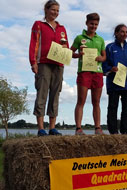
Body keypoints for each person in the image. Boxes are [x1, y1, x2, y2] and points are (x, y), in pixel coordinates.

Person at [29, 0, 69, 136]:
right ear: (46, 9)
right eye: (53, 10)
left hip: (59, 64)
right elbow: (34, 43)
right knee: (42, 94)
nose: (55, 13)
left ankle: (52, 127)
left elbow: (66, 47)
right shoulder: (39, 24)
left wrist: (66, 50)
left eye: (58, 11)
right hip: (43, 63)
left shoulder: (62, 28)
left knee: (55, 94)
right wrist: (33, 62)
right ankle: (41, 128)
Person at [71, 13, 106, 135]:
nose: (93, 26)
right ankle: (78, 128)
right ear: (86, 23)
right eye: (91, 23)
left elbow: (104, 56)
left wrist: (101, 58)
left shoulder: (100, 40)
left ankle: (97, 128)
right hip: (84, 72)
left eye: (96, 24)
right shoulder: (79, 38)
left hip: (97, 73)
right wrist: (78, 55)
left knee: (96, 101)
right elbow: (70, 53)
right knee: (81, 100)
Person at [102, 24, 127, 134]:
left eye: (126, 32)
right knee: (113, 107)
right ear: (116, 33)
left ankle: (126, 131)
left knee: (126, 108)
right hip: (114, 83)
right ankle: (113, 132)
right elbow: (104, 66)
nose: (125, 34)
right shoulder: (109, 47)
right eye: (122, 32)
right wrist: (111, 69)